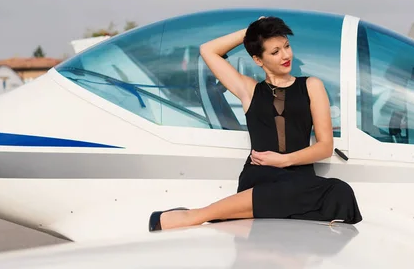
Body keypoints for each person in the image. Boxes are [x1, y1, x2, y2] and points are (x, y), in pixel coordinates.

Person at [148, 16, 362, 231]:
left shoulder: (312, 85)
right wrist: (252, 31)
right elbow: (208, 50)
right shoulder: (249, 90)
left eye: (286, 46)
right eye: (275, 51)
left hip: (300, 181)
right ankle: (193, 216)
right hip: (261, 177)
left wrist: (285, 160)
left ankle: (207, 214)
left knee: (340, 192)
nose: (286, 55)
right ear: (258, 60)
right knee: (312, 192)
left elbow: (325, 146)